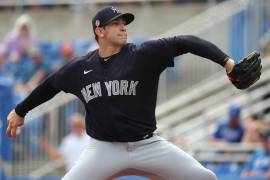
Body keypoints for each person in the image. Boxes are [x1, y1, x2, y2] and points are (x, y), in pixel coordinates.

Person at [6, 6, 261, 180]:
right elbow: (50, 85)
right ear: (100, 31)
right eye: (115, 24)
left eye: (123, 23)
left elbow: (186, 42)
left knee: (204, 178)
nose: (122, 27)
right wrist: (20, 110)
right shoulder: (80, 68)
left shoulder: (143, 55)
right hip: (103, 149)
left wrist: (227, 63)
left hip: (147, 144)